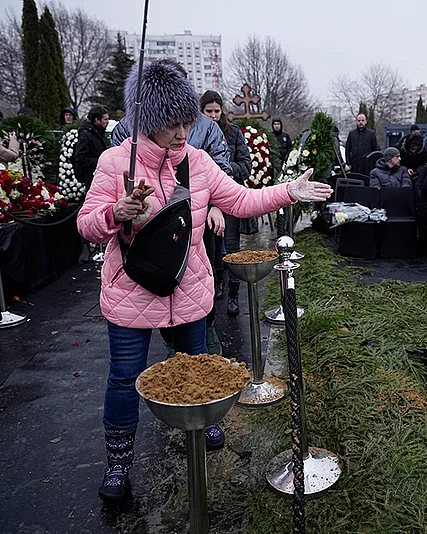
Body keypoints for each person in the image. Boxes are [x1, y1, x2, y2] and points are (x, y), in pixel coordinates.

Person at [76, 61, 331, 504]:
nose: (182, 132)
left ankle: (204, 415)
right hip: (130, 291)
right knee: (123, 378)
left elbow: (243, 199)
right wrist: (114, 214)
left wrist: (289, 191)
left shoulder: (199, 163)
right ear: (148, 121)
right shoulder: (115, 161)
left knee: (200, 362)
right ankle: (118, 461)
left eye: (186, 121)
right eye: (171, 124)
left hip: (188, 287)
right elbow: (85, 225)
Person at [199, 90, 252, 353]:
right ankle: (215, 285)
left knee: (230, 247)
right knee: (208, 249)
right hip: (203, 201)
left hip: (227, 196)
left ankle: (233, 295)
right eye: (208, 111)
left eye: (216, 111)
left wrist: (226, 172)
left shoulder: (233, 134)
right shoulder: (196, 133)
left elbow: (246, 163)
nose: (213, 115)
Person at [74, 106, 110, 188]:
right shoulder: (86, 134)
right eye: (105, 119)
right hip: (90, 176)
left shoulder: (99, 132)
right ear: (97, 120)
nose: (108, 122)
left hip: (98, 174)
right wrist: (99, 162)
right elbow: (80, 157)